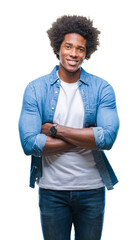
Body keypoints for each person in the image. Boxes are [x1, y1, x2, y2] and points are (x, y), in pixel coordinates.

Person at [19, 15, 119, 240]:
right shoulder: (36, 89)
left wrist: (56, 130)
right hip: (52, 191)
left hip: (92, 190)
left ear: (87, 52)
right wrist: (86, 137)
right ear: (57, 48)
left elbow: (107, 138)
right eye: (68, 47)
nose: (74, 54)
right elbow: (29, 143)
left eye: (80, 49)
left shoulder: (102, 89)